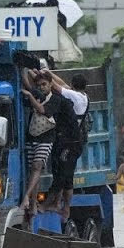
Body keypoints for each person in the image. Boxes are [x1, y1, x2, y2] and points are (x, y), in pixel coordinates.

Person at [35, 69, 89, 218]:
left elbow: (57, 87)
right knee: (67, 177)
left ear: (73, 85)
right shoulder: (83, 96)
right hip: (73, 141)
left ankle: (51, 205)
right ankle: (62, 207)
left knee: (62, 176)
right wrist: (48, 73)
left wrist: (43, 73)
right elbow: (62, 84)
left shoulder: (74, 97)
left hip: (70, 142)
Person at [19, 72, 61, 222]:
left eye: (44, 84)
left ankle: (26, 197)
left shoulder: (56, 100)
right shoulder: (37, 95)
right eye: (39, 85)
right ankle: (33, 204)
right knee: (33, 171)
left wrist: (30, 97)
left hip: (46, 139)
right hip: (32, 137)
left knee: (37, 166)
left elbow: (43, 110)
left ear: (51, 84)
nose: (41, 87)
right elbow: (28, 86)